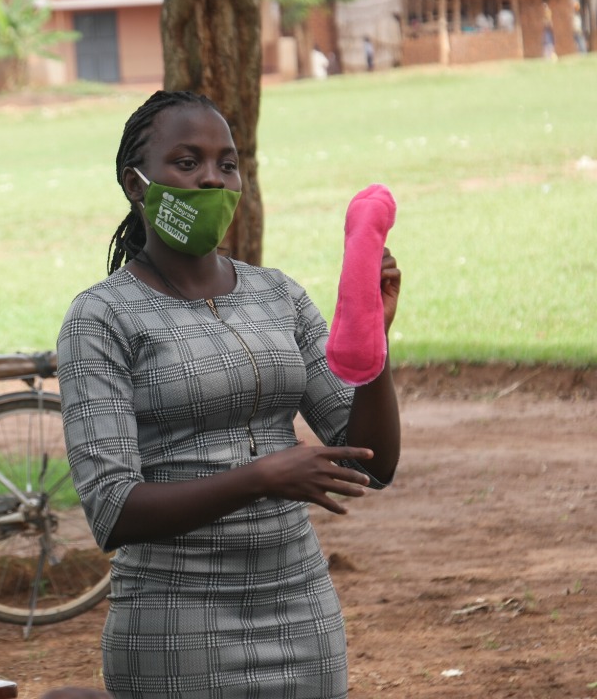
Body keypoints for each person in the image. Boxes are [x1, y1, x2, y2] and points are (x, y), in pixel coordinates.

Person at [56, 90, 402, 698]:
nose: (212, 179)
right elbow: (112, 510)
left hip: (303, 612)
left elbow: (373, 461)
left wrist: (371, 336)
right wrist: (262, 476)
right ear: (135, 184)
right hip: (175, 624)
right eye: (186, 163)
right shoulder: (101, 316)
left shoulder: (278, 296)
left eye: (227, 163)